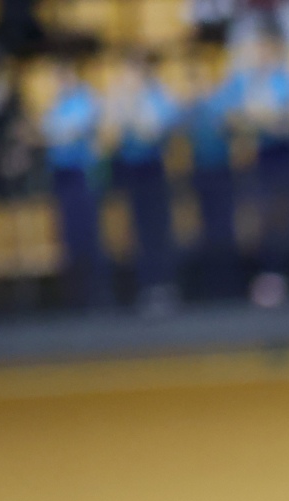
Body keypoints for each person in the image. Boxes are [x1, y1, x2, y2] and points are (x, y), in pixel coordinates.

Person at [236, 29, 289, 307]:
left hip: (286, 156)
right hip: (261, 158)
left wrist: (272, 120)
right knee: (263, 219)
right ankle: (269, 276)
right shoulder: (247, 82)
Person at [105, 52, 180, 310]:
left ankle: (163, 285)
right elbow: (108, 139)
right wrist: (118, 109)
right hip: (127, 172)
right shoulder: (117, 100)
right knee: (133, 231)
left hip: (152, 170)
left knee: (156, 230)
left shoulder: (158, 97)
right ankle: (143, 286)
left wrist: (130, 108)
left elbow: (151, 131)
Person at [40, 54, 108, 308]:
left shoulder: (85, 100)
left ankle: (97, 293)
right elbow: (47, 133)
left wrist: (55, 132)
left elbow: (68, 133)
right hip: (62, 175)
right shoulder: (57, 105)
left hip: (82, 175)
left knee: (88, 234)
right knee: (68, 236)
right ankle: (76, 295)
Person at [185, 57, 244, 299]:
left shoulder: (220, 103)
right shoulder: (192, 108)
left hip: (222, 171)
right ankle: (213, 284)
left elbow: (231, 127)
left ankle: (230, 282)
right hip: (200, 172)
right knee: (206, 228)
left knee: (224, 225)